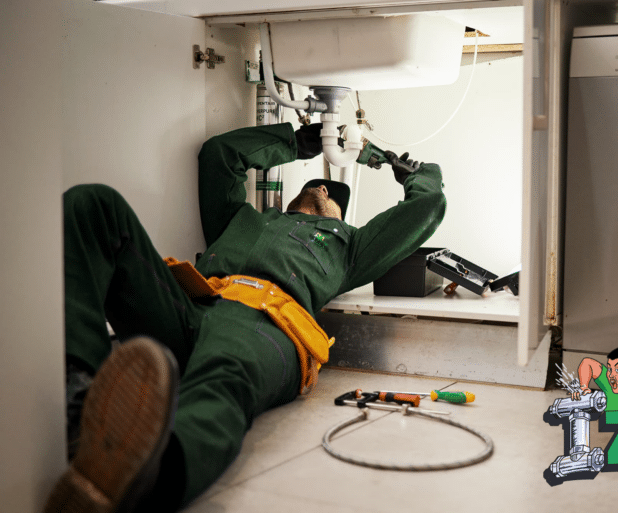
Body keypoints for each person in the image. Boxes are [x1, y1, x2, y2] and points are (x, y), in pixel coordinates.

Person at [45, 122, 447, 512]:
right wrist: (298, 142)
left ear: (342, 218)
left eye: (331, 194)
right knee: (93, 204)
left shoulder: (352, 246)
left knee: (224, 378)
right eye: (314, 184)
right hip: (195, 307)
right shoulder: (240, 218)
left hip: (266, 324)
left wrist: (413, 172)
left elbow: (426, 206)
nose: (322, 187)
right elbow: (220, 156)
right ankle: (78, 404)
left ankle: (144, 477)